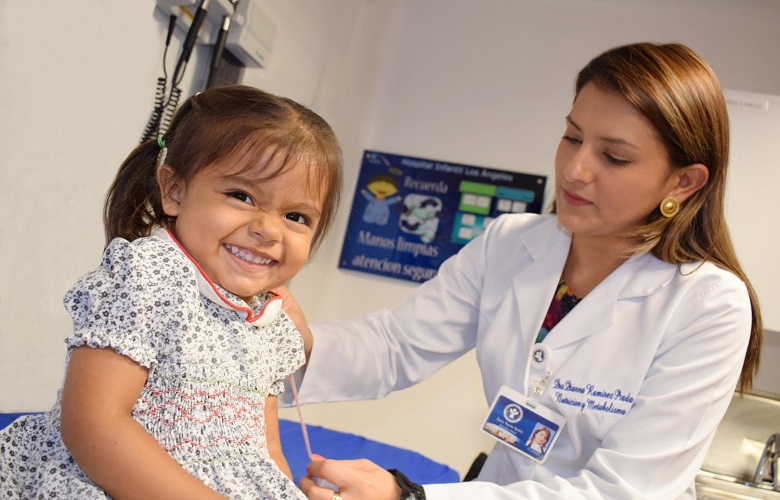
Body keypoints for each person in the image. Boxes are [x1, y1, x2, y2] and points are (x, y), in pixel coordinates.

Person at [280, 42, 764, 499]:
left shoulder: (707, 305)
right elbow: (397, 347)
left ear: (683, 181)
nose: (575, 169)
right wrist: (287, 348)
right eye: (572, 136)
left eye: (613, 157)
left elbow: (622, 491)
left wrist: (411, 495)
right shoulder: (511, 243)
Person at [0, 85, 342, 499]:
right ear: (174, 190)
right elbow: (94, 423)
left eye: (296, 216)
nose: (268, 229)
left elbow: (266, 449)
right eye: (241, 195)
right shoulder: (147, 276)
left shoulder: (272, 324)